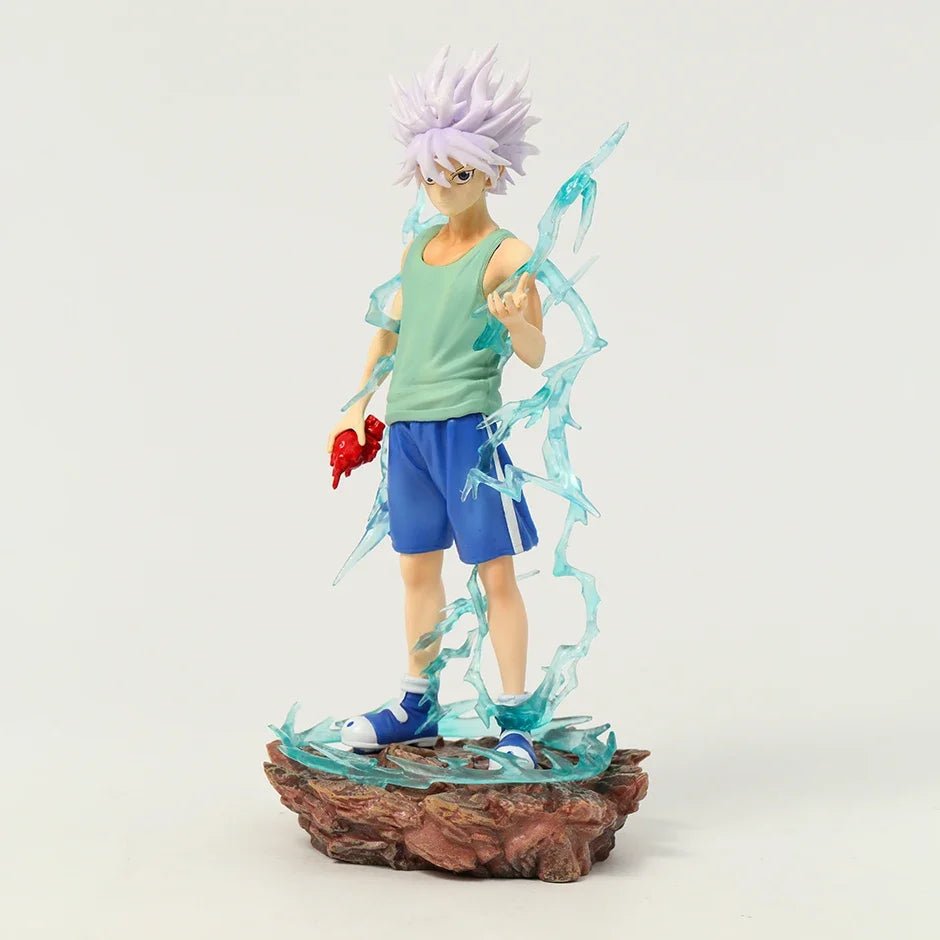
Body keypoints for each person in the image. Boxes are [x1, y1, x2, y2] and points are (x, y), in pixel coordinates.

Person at [326, 46, 544, 767]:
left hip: (468, 432)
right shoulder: (417, 248)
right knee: (416, 569)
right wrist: (356, 403)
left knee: (495, 572)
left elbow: (537, 351)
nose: (443, 187)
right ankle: (416, 703)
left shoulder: (508, 253)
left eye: (460, 173)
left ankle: (515, 719)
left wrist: (515, 323)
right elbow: (389, 332)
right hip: (409, 431)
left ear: (492, 170)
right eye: (431, 174)